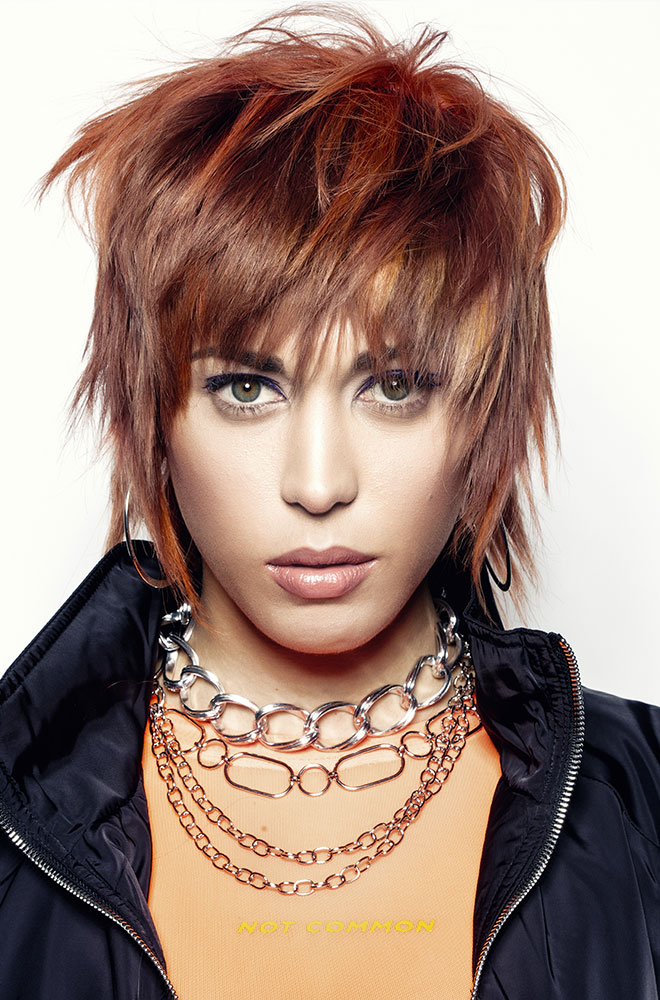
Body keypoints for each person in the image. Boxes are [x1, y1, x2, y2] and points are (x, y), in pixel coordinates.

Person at [0, 7, 658, 1000]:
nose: (318, 485)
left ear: (482, 413)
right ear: (153, 413)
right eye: (246, 387)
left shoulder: (640, 806)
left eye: (394, 386)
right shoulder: (17, 819)